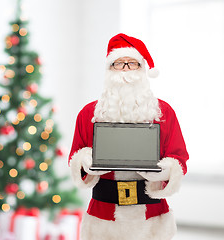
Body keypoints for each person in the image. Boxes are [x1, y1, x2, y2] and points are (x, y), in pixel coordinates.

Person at [68, 33, 189, 240]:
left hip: (151, 218)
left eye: (132, 63)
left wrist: (161, 172)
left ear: (142, 69)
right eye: (118, 63)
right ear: (109, 69)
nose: (125, 69)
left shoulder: (164, 112)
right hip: (103, 218)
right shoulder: (88, 114)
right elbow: (75, 157)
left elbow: (179, 159)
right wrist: (87, 162)